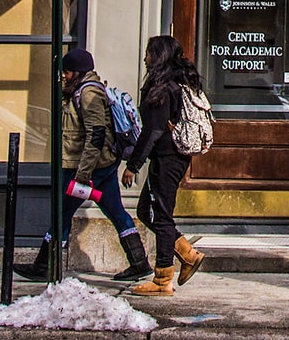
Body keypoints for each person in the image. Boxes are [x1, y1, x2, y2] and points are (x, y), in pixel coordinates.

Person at [14, 49, 150, 284]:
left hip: (87, 168)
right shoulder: (79, 91)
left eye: (66, 72)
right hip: (102, 166)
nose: (63, 76)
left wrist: (83, 174)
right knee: (116, 212)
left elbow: (96, 134)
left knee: (62, 212)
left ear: (76, 72)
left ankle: (44, 266)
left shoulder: (88, 94)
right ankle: (139, 263)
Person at [120, 35, 207, 296]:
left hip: (168, 159)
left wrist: (133, 166)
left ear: (157, 56)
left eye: (148, 53)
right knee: (147, 210)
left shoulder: (164, 88)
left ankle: (162, 280)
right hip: (170, 158)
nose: (145, 57)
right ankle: (186, 253)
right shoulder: (175, 82)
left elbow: (153, 130)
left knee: (162, 216)